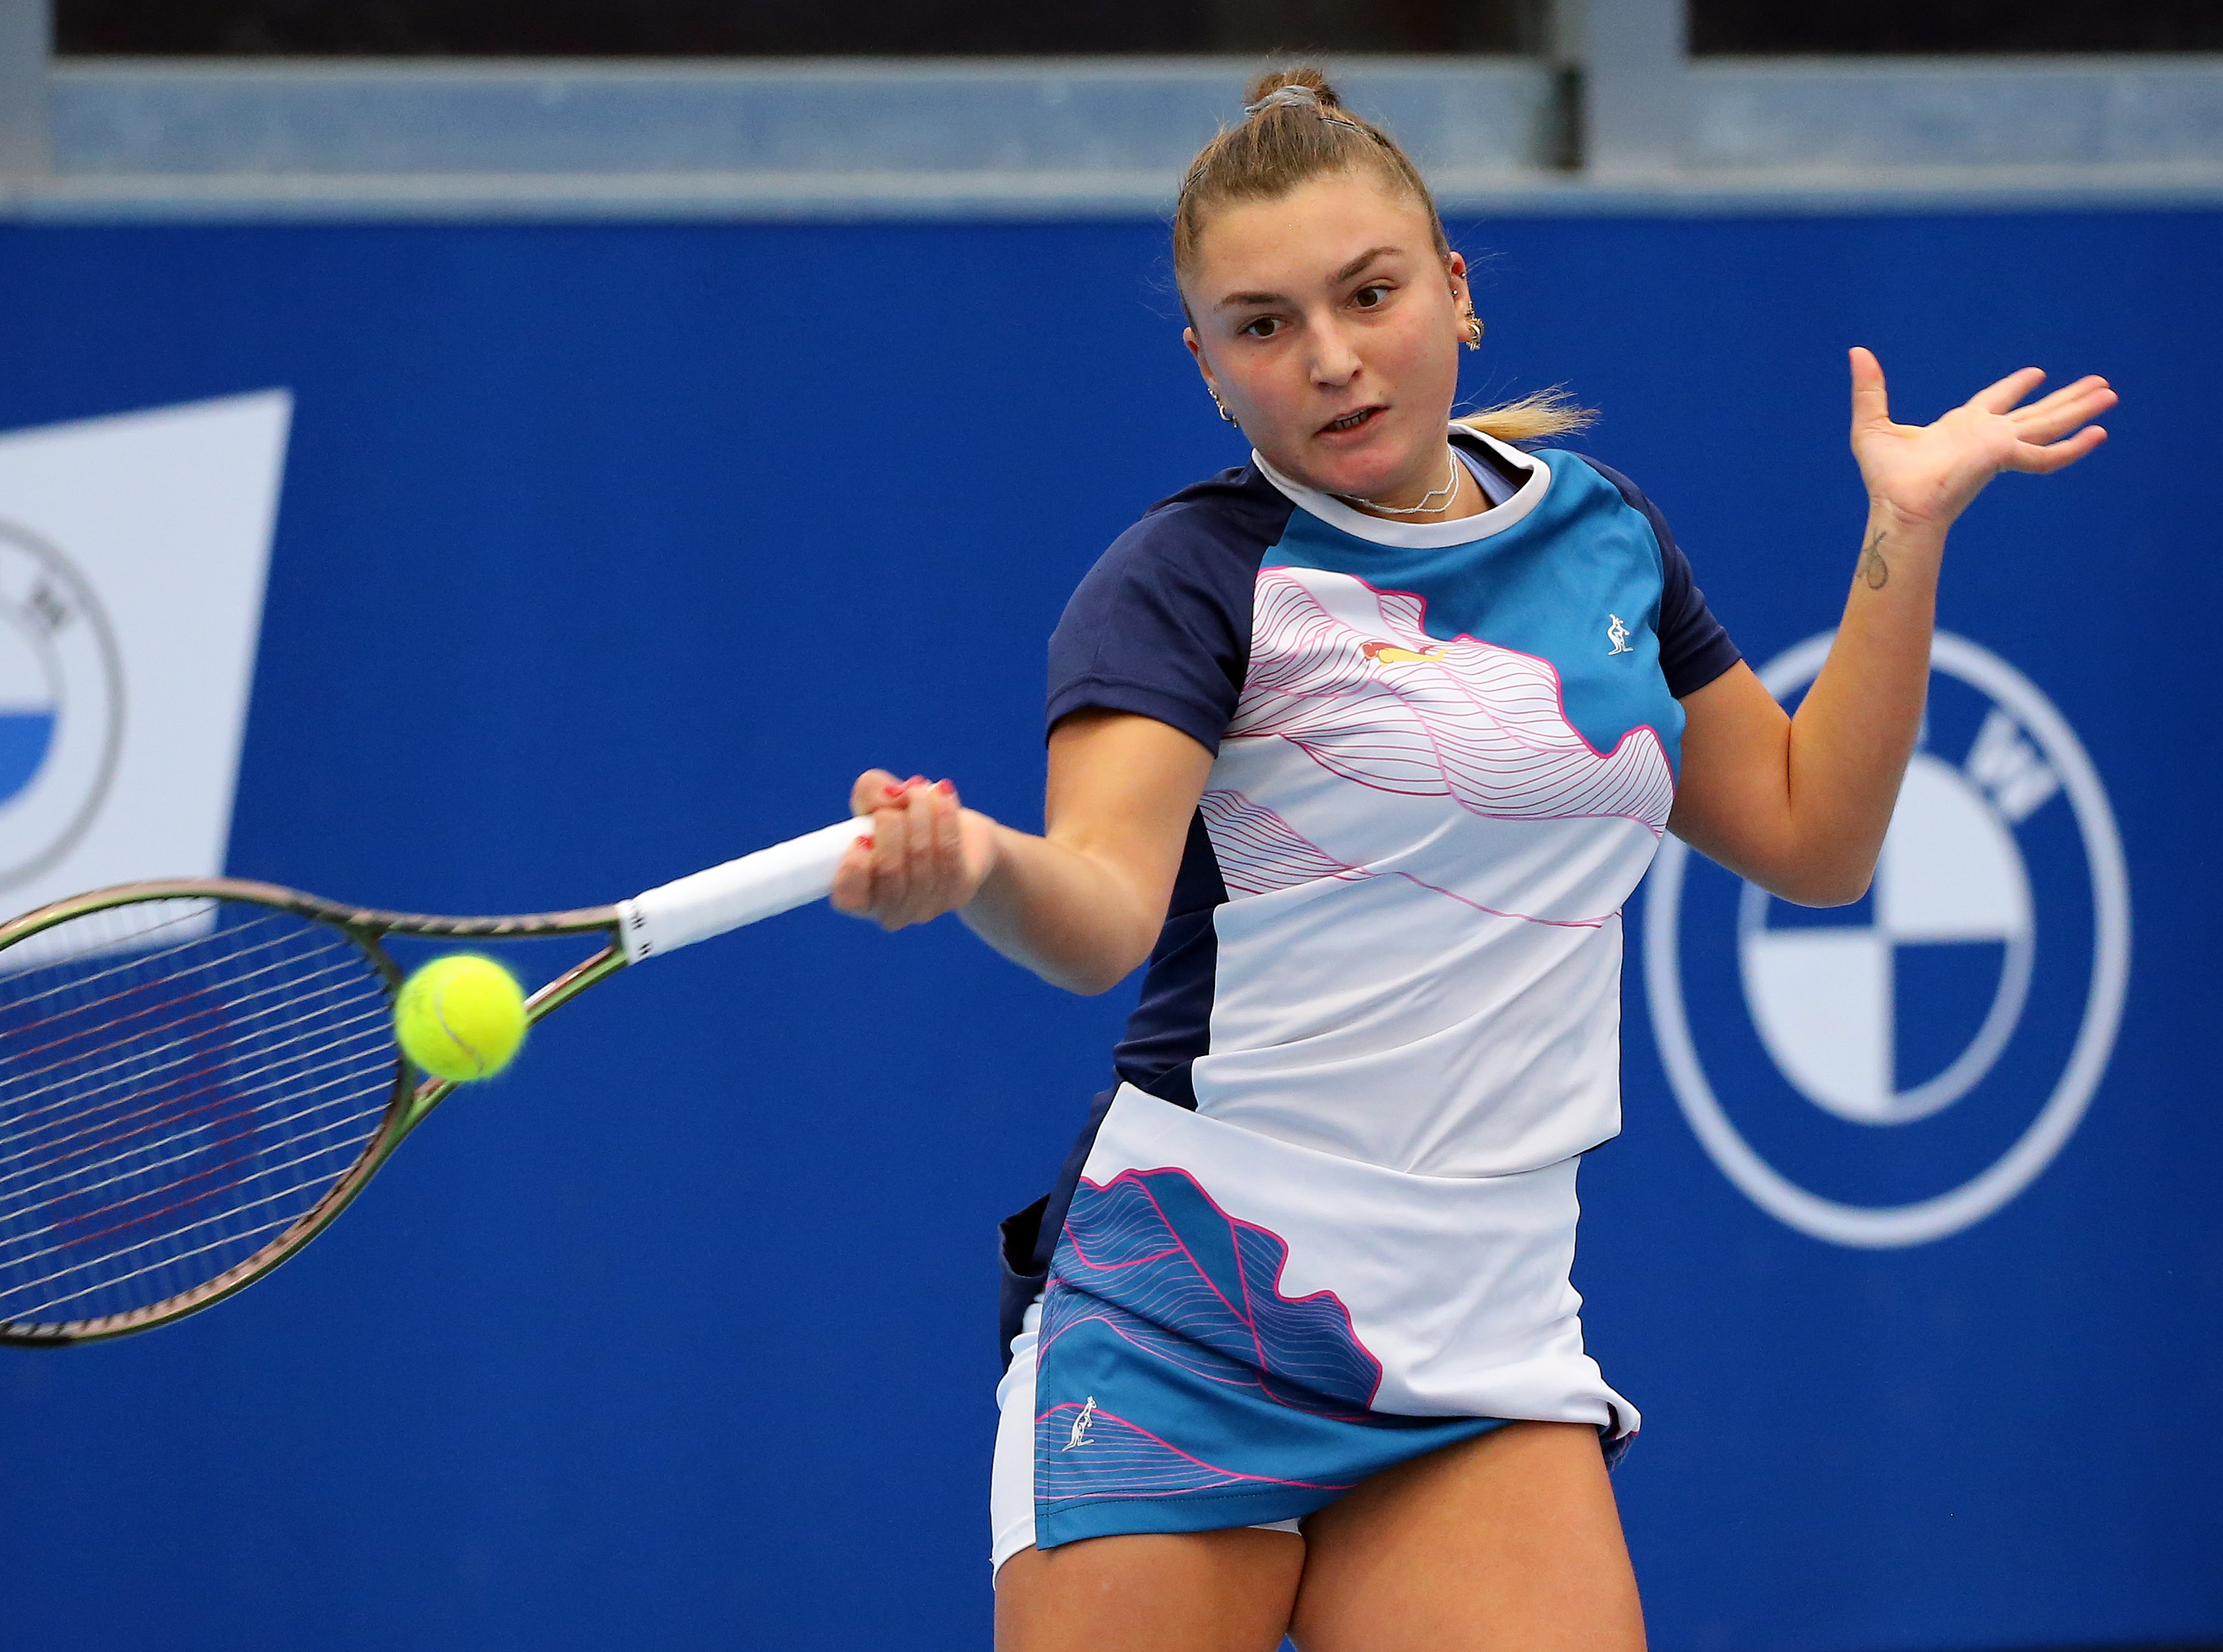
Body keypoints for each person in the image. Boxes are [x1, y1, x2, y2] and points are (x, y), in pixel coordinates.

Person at [831, 66, 2114, 1652]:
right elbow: (1097, 912)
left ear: (1452, 290)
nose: (1329, 358)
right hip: (1188, 1310)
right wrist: (975, 868)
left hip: (1481, 1324)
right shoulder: (1184, 580)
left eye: (1367, 294)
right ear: (1206, 367)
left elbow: (1811, 837)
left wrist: (1902, 536)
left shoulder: (1600, 536)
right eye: (1260, 325)